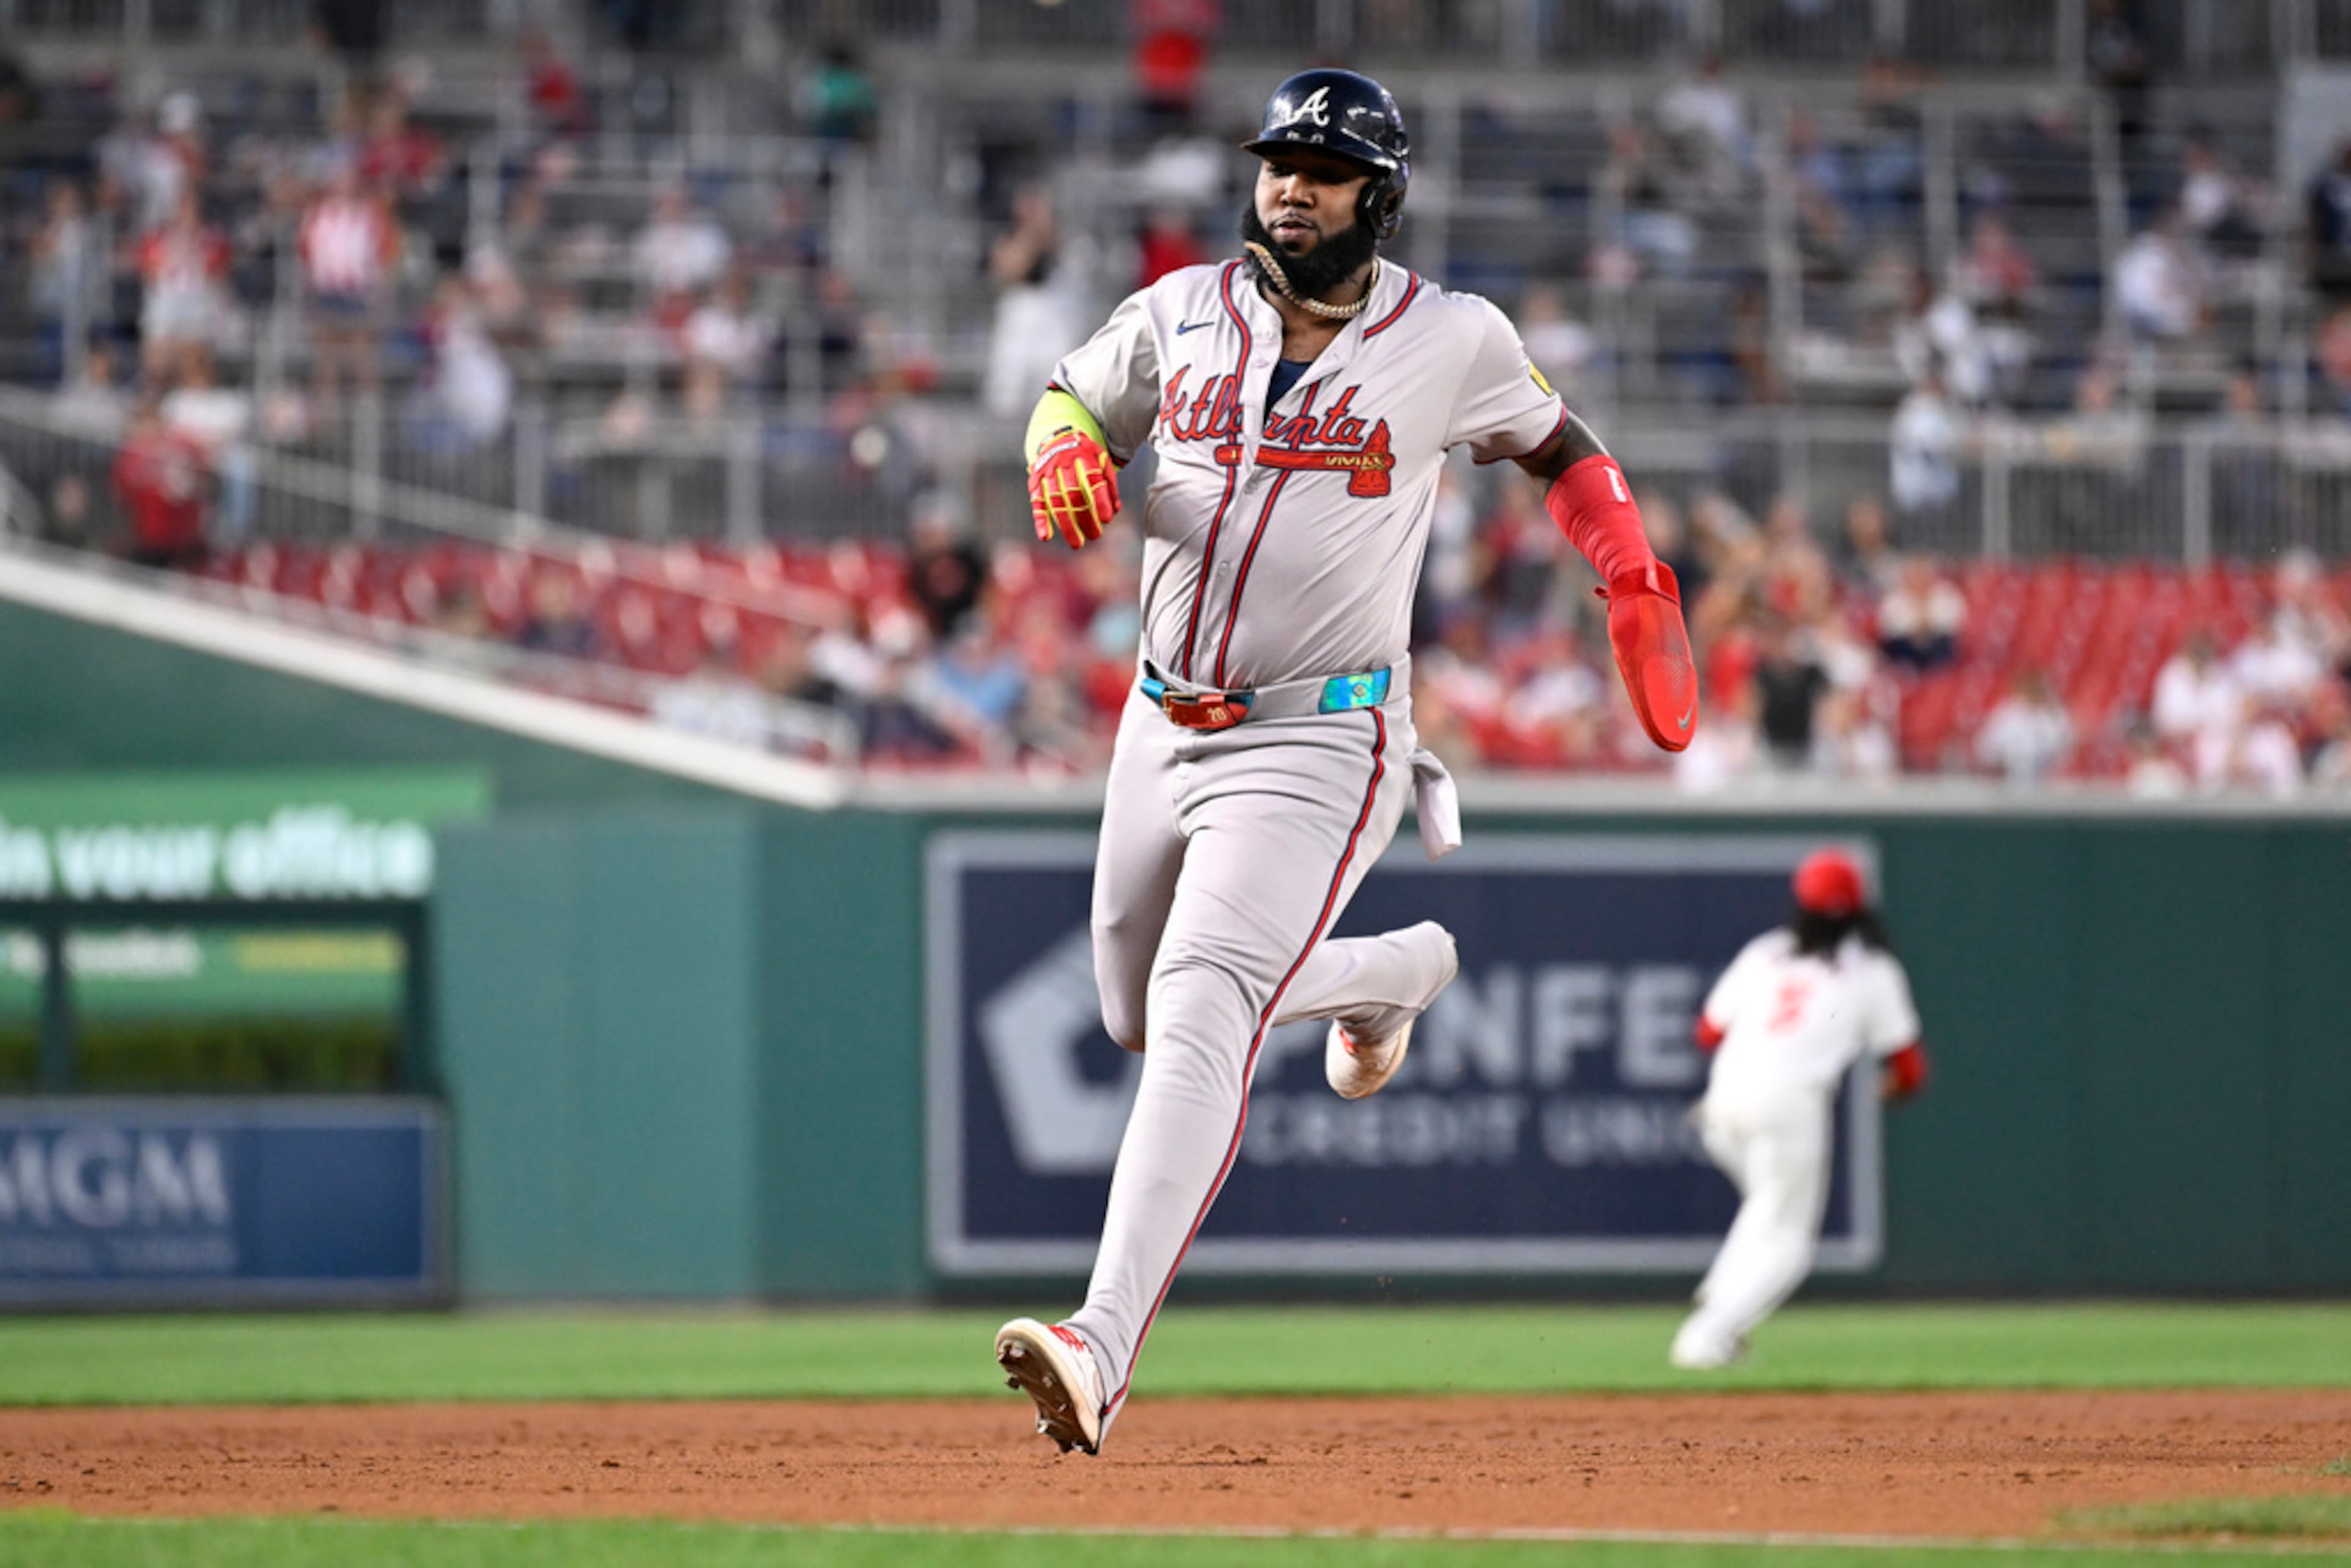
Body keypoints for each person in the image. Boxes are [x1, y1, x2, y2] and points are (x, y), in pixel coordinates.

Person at [993, 67, 1698, 1455]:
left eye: (1320, 167)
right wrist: (1060, 446)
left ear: (1377, 193)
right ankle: (1397, 969)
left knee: (1204, 995)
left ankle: (1100, 1339)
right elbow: (1069, 399)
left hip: (1322, 732)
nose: (1288, 186)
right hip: (1159, 716)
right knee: (1136, 1008)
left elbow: (1562, 448)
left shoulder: (1450, 337)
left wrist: (1626, 563)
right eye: (1275, 162)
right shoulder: (1180, 312)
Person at [1672, 849, 1927, 1370]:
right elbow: (1908, 1068)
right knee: (1789, 1241)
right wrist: (1889, 1089)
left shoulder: (1767, 951)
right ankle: (1707, 1334)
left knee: (1767, 1207)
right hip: (1790, 1105)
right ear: (1860, 909)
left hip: (1724, 1101)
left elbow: (1706, 1032)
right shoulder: (1873, 969)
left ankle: (1722, 1294)